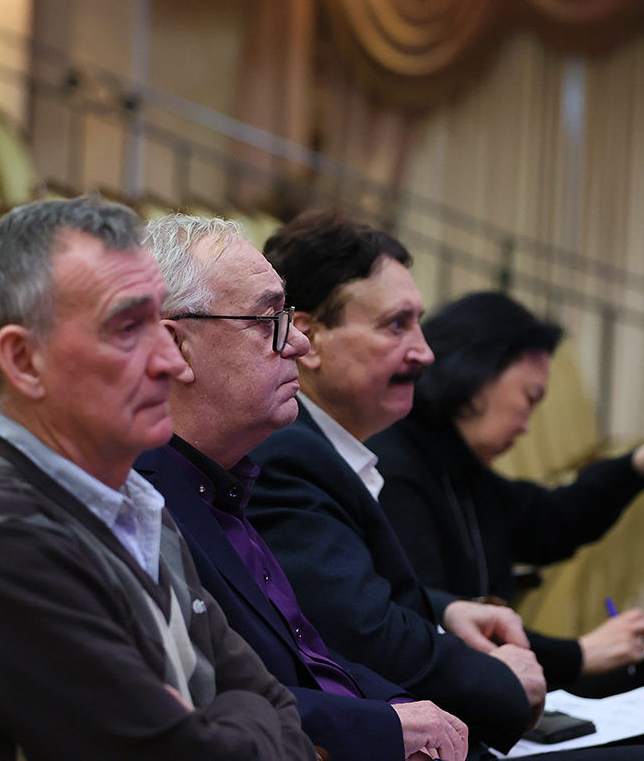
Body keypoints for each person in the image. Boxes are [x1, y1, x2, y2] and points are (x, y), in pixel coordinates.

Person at [0, 198, 316, 761]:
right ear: (24, 360)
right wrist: (232, 719)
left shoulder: (126, 497)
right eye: (128, 329)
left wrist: (226, 718)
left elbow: (278, 704)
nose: (169, 362)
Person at [247, 210, 644, 760]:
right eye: (396, 325)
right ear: (308, 337)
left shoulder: (339, 450)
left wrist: (446, 609)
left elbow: (364, 600)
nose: (425, 352)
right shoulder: (293, 454)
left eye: (420, 324)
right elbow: (361, 632)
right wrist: (515, 678)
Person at [134, 214, 468, 761]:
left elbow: (310, 657)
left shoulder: (223, 481)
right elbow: (206, 698)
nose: (300, 343)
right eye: (269, 320)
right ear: (176, 347)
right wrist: (386, 725)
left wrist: (402, 710)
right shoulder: (139, 501)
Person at [368, 291, 644, 703]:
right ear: (478, 371)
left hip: (490, 684)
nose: (526, 426)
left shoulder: (458, 467)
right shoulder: (396, 466)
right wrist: (579, 653)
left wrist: (641, 464)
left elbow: (552, 521)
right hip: (448, 700)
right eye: (529, 397)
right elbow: (428, 619)